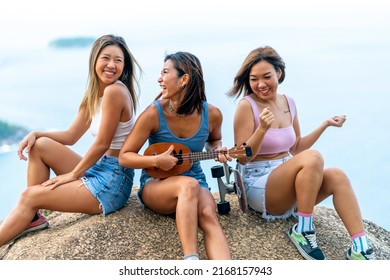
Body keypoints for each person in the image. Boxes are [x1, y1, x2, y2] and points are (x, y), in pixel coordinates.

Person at [227, 46, 375, 260]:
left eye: (267, 76)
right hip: (261, 186)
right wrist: (262, 129)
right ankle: (303, 230)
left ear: (279, 73)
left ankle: (360, 247)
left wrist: (325, 125)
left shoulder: (289, 102)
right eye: (254, 79)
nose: (261, 84)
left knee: (337, 176)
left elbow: (295, 147)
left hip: (288, 181)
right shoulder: (246, 106)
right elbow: (242, 156)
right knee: (314, 157)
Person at [0, 34, 141, 248]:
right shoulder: (94, 94)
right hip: (99, 168)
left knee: (29, 195)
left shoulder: (116, 91)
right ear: (94, 60)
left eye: (118, 60)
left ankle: (32, 206)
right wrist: (37, 134)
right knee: (40, 146)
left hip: (113, 181)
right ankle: (32, 217)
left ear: (124, 66)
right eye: (106, 58)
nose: (111, 65)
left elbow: (103, 143)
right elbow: (71, 136)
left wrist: (72, 175)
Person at [119, 52, 232, 260]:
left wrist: (217, 151)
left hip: (196, 180)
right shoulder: (154, 113)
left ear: (184, 79)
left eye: (164, 72)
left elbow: (214, 140)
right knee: (187, 185)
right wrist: (155, 161)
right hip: (157, 184)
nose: (159, 78)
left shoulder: (212, 114)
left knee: (208, 214)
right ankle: (191, 261)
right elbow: (125, 156)